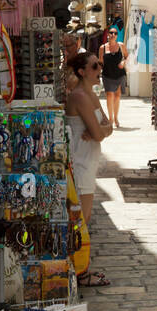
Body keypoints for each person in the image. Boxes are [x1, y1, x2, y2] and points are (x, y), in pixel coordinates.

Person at [65, 51, 113, 287]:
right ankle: (78, 271)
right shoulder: (80, 96)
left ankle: (79, 269)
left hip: (89, 161)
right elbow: (99, 132)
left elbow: (108, 127)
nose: (99, 69)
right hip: (80, 163)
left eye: (99, 64)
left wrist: (101, 131)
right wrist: (100, 131)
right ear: (82, 71)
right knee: (80, 220)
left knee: (83, 218)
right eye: (95, 66)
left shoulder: (91, 94)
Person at [99, 26, 128, 127]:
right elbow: (100, 62)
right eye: (111, 33)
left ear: (117, 36)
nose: (113, 35)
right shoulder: (102, 48)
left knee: (117, 95)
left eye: (115, 33)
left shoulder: (121, 46)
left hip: (119, 74)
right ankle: (110, 118)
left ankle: (116, 117)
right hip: (107, 73)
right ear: (108, 35)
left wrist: (123, 62)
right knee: (109, 95)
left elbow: (126, 56)